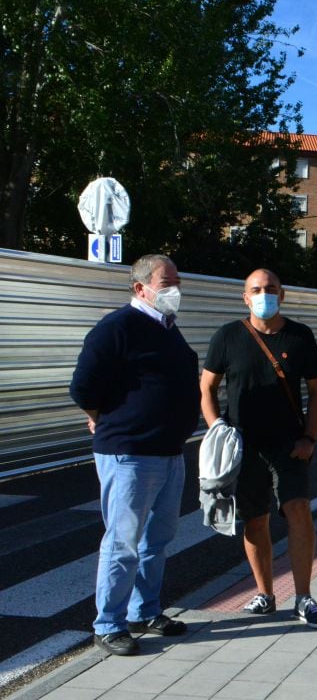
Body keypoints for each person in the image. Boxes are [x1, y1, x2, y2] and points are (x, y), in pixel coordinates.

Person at [70, 254, 199, 656]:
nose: (175, 288)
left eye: (177, 280)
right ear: (140, 288)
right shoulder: (117, 328)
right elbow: (83, 388)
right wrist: (102, 418)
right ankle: (109, 624)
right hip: (129, 453)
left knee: (157, 540)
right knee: (123, 541)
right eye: (166, 281)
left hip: (168, 452)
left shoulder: (167, 329)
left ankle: (145, 611)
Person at [200, 268, 317, 628]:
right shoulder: (227, 337)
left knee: (299, 511)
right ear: (245, 297)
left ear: (282, 294)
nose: (263, 294)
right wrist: (217, 429)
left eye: (270, 288)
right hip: (243, 447)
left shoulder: (300, 336)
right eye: (256, 289)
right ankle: (266, 594)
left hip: (290, 445)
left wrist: (310, 438)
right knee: (255, 521)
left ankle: (304, 597)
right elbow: (207, 388)